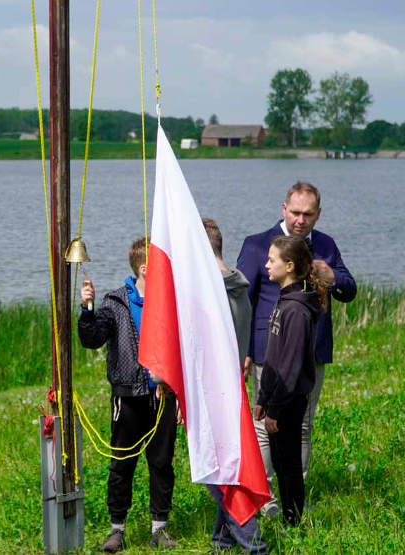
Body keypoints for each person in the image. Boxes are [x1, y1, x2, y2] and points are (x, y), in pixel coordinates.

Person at [237, 181, 356, 515]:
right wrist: (243, 347)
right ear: (283, 209)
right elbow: (242, 300)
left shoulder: (326, 246)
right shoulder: (258, 245)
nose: (301, 219)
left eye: (308, 214)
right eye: (296, 212)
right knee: (264, 423)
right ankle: (266, 499)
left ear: (318, 214)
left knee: (302, 425)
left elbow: (349, 289)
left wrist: (330, 276)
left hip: (310, 354)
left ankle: (295, 496)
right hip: (265, 351)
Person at [77, 238, 178, 552]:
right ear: (145, 268)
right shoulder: (115, 302)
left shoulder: (169, 300)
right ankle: (116, 530)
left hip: (162, 396)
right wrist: (87, 309)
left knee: (161, 463)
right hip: (127, 397)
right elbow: (91, 340)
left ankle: (159, 529)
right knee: (122, 463)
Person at [202, 218, 267, 553]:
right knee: (224, 469)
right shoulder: (237, 287)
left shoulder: (217, 296)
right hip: (230, 392)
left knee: (219, 476)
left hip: (215, 397)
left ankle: (254, 544)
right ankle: (222, 542)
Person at [253, 235, 327, 526]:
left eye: (273, 260)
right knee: (282, 463)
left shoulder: (296, 309)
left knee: (289, 464)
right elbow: (272, 360)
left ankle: (293, 522)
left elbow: (291, 365)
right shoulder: (283, 302)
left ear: (290, 266)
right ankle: (288, 518)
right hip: (276, 398)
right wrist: (262, 400)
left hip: (290, 400)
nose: (267, 264)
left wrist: (275, 410)